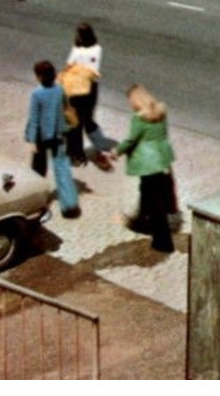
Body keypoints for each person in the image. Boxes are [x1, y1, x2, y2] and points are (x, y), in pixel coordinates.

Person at [113, 84, 176, 253]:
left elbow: (131, 140)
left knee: (154, 203)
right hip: (162, 159)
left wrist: (116, 152)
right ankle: (141, 220)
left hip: (147, 163)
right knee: (148, 193)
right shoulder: (161, 112)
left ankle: (163, 242)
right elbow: (164, 135)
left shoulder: (139, 118)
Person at [24, 59, 80, 218]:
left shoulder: (37, 93)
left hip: (42, 138)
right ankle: (70, 206)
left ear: (40, 76)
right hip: (59, 135)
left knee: (38, 170)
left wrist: (32, 141)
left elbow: (34, 120)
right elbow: (64, 110)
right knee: (62, 169)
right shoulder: (60, 90)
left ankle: (36, 202)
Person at [65, 23, 113, 168]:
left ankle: (76, 154)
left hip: (77, 87)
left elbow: (69, 66)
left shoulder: (77, 51)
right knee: (89, 120)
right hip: (92, 88)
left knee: (75, 122)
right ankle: (101, 147)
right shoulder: (98, 49)